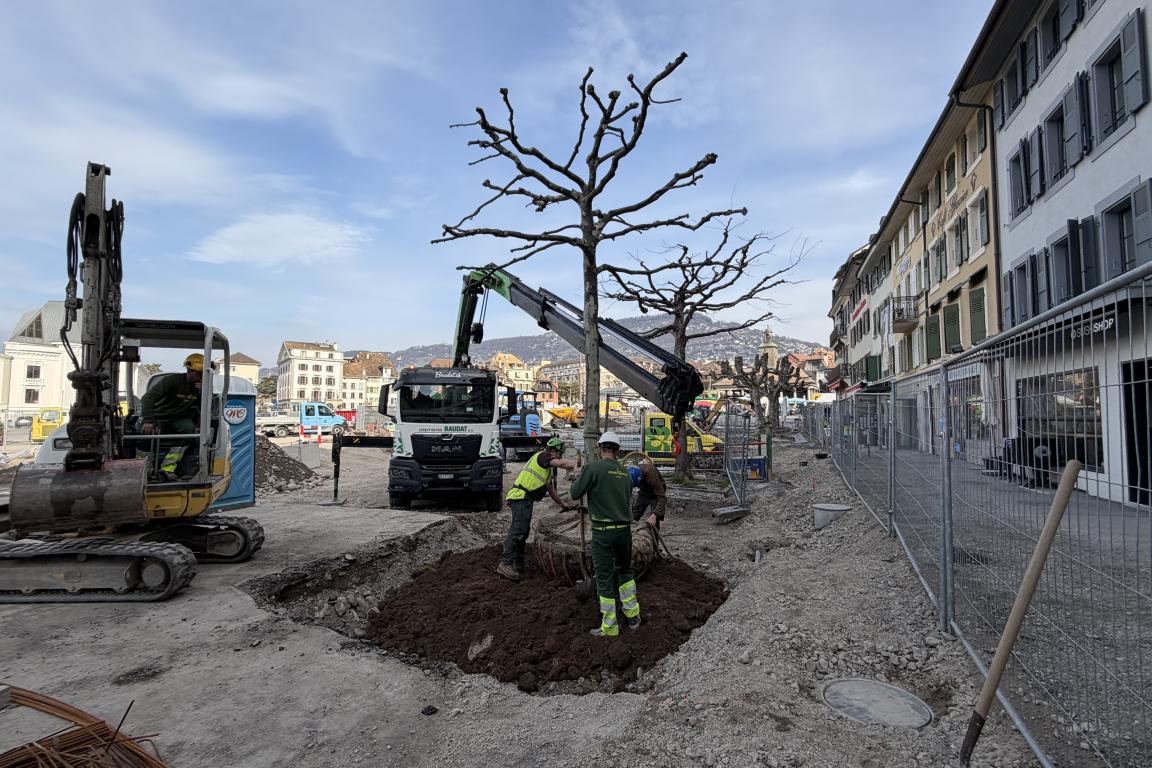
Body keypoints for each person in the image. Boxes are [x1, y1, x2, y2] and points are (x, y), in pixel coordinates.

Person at [569, 431, 639, 637]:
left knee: (605, 578)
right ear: (617, 451)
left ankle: (609, 626)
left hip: (603, 532)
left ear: (600, 448)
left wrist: (580, 475)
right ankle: (633, 617)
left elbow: (574, 493)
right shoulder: (625, 473)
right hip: (624, 532)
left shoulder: (594, 468)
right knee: (625, 571)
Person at [496, 436, 576, 581]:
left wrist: (562, 504)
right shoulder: (543, 456)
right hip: (521, 496)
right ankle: (505, 563)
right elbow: (561, 464)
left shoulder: (546, 468)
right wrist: (576, 465)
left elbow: (550, 490)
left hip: (525, 499)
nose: (560, 456)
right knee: (518, 529)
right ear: (553, 451)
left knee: (524, 531)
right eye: (560, 453)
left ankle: (518, 562)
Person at [139, 353, 208, 479]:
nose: (201, 378)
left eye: (203, 375)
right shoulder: (172, 381)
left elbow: (205, 407)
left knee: (188, 430)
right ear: (189, 371)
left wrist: (203, 393)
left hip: (179, 418)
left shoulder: (201, 388)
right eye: (199, 374)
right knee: (143, 433)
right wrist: (148, 420)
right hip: (158, 416)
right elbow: (148, 398)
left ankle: (168, 467)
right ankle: (144, 468)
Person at [629, 457, 667, 529]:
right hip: (644, 492)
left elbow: (662, 498)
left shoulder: (652, 475)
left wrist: (654, 515)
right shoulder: (629, 473)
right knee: (634, 516)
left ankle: (654, 536)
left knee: (654, 522)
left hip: (656, 495)